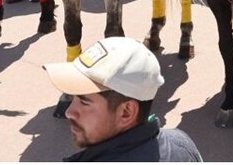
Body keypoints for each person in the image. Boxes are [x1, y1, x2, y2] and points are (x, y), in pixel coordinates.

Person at [43, 36, 201, 161]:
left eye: (84, 101)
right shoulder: (182, 144)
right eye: (74, 98)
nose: (69, 112)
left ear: (126, 112)